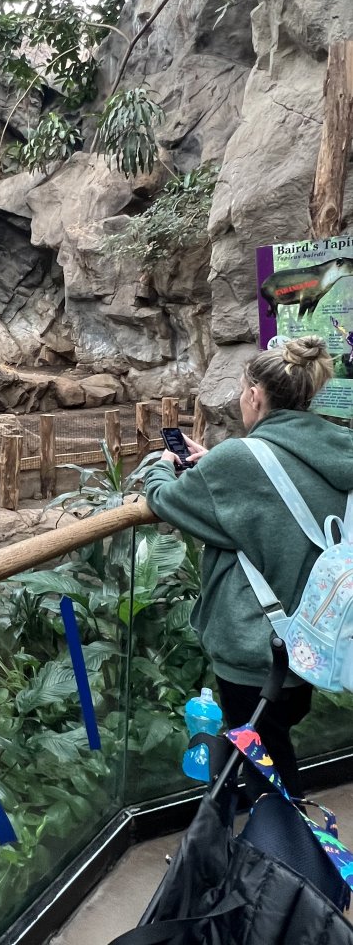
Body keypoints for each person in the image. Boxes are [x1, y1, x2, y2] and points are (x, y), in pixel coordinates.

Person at [144, 336, 353, 800]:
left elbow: (165, 500)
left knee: (266, 769)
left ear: (255, 394)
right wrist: (212, 466)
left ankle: (289, 859)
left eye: (242, 390)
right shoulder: (340, 445)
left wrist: (160, 465)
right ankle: (281, 847)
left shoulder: (238, 459)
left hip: (258, 649)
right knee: (274, 745)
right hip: (317, 639)